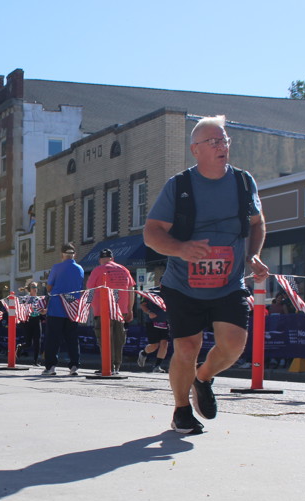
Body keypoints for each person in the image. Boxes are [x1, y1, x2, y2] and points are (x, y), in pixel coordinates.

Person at [144, 115, 269, 435]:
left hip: (228, 283)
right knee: (186, 348)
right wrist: (181, 249)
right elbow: (152, 232)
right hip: (183, 285)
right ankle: (181, 411)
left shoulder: (243, 182)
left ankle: (203, 378)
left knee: (234, 346)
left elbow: (257, 223)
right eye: (213, 141)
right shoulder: (179, 186)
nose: (221, 146)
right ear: (195, 150)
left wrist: (253, 255)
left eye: (224, 140)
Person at [86, 248, 135, 375]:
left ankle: (107, 366)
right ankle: (116, 366)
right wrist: (130, 309)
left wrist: (88, 307)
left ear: (100, 260)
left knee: (104, 338)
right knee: (118, 338)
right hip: (120, 310)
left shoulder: (98, 270)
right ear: (112, 258)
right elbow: (131, 291)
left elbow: (89, 290)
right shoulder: (124, 270)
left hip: (102, 310)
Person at [42, 243, 85, 376]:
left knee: (53, 339)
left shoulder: (56, 267)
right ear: (74, 255)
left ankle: (51, 367)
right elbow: (80, 287)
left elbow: (49, 287)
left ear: (62, 254)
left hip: (57, 307)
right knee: (72, 338)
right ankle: (74, 366)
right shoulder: (80, 269)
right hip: (72, 308)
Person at [18, 282, 45, 366]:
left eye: (36, 287)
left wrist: (45, 311)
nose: (35, 289)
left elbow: (42, 311)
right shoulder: (25, 298)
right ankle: (20, 347)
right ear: (30, 289)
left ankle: (35, 361)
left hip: (37, 320)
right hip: (28, 321)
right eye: (33, 287)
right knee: (28, 343)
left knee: (37, 341)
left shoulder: (40, 299)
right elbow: (20, 309)